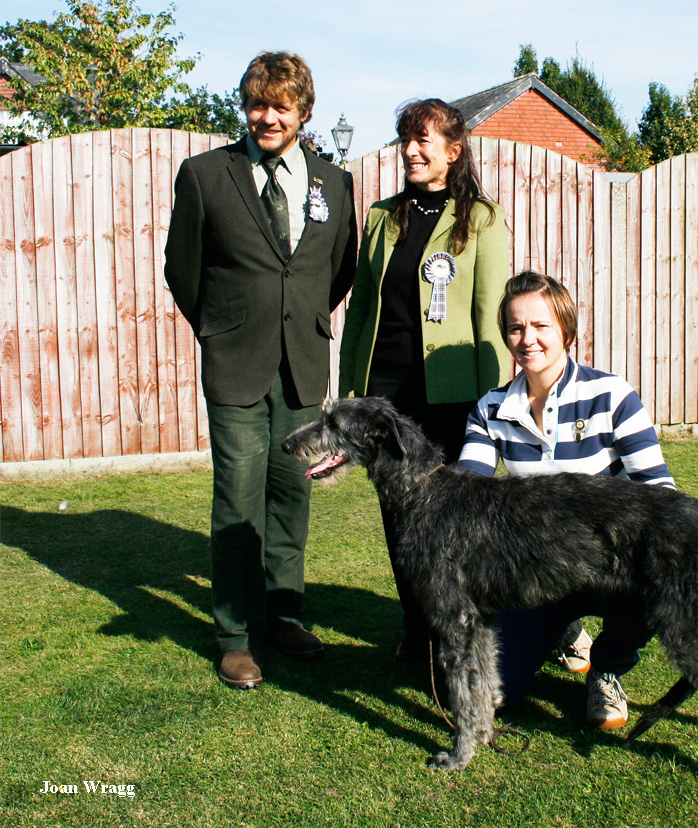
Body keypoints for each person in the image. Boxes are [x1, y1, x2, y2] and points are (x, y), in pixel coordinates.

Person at [164, 51, 357, 689]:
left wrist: (296, 317)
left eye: (280, 107)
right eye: (257, 104)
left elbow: (339, 270)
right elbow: (182, 271)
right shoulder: (204, 175)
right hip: (235, 364)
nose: (266, 117)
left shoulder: (335, 182)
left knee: (290, 496)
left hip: (302, 363)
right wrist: (220, 327)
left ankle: (283, 615)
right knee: (238, 497)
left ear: (304, 112)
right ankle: (235, 635)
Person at [459, 271, 676, 728]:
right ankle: (565, 630)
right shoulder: (489, 408)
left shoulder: (611, 395)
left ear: (566, 330)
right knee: (499, 696)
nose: (528, 339)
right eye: (516, 328)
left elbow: (660, 493)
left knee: (653, 582)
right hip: (534, 571)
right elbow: (466, 495)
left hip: (610, 564)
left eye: (541, 326)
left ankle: (607, 668)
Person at [339, 98, 511, 661]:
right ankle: (417, 631)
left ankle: (457, 631)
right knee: (399, 516)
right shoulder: (382, 216)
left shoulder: (480, 218)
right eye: (405, 141)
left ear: (452, 151)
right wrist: (352, 392)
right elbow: (362, 306)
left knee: (459, 522)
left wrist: (496, 400)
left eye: (423, 141)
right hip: (386, 396)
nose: (410, 152)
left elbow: (490, 316)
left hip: (454, 394)